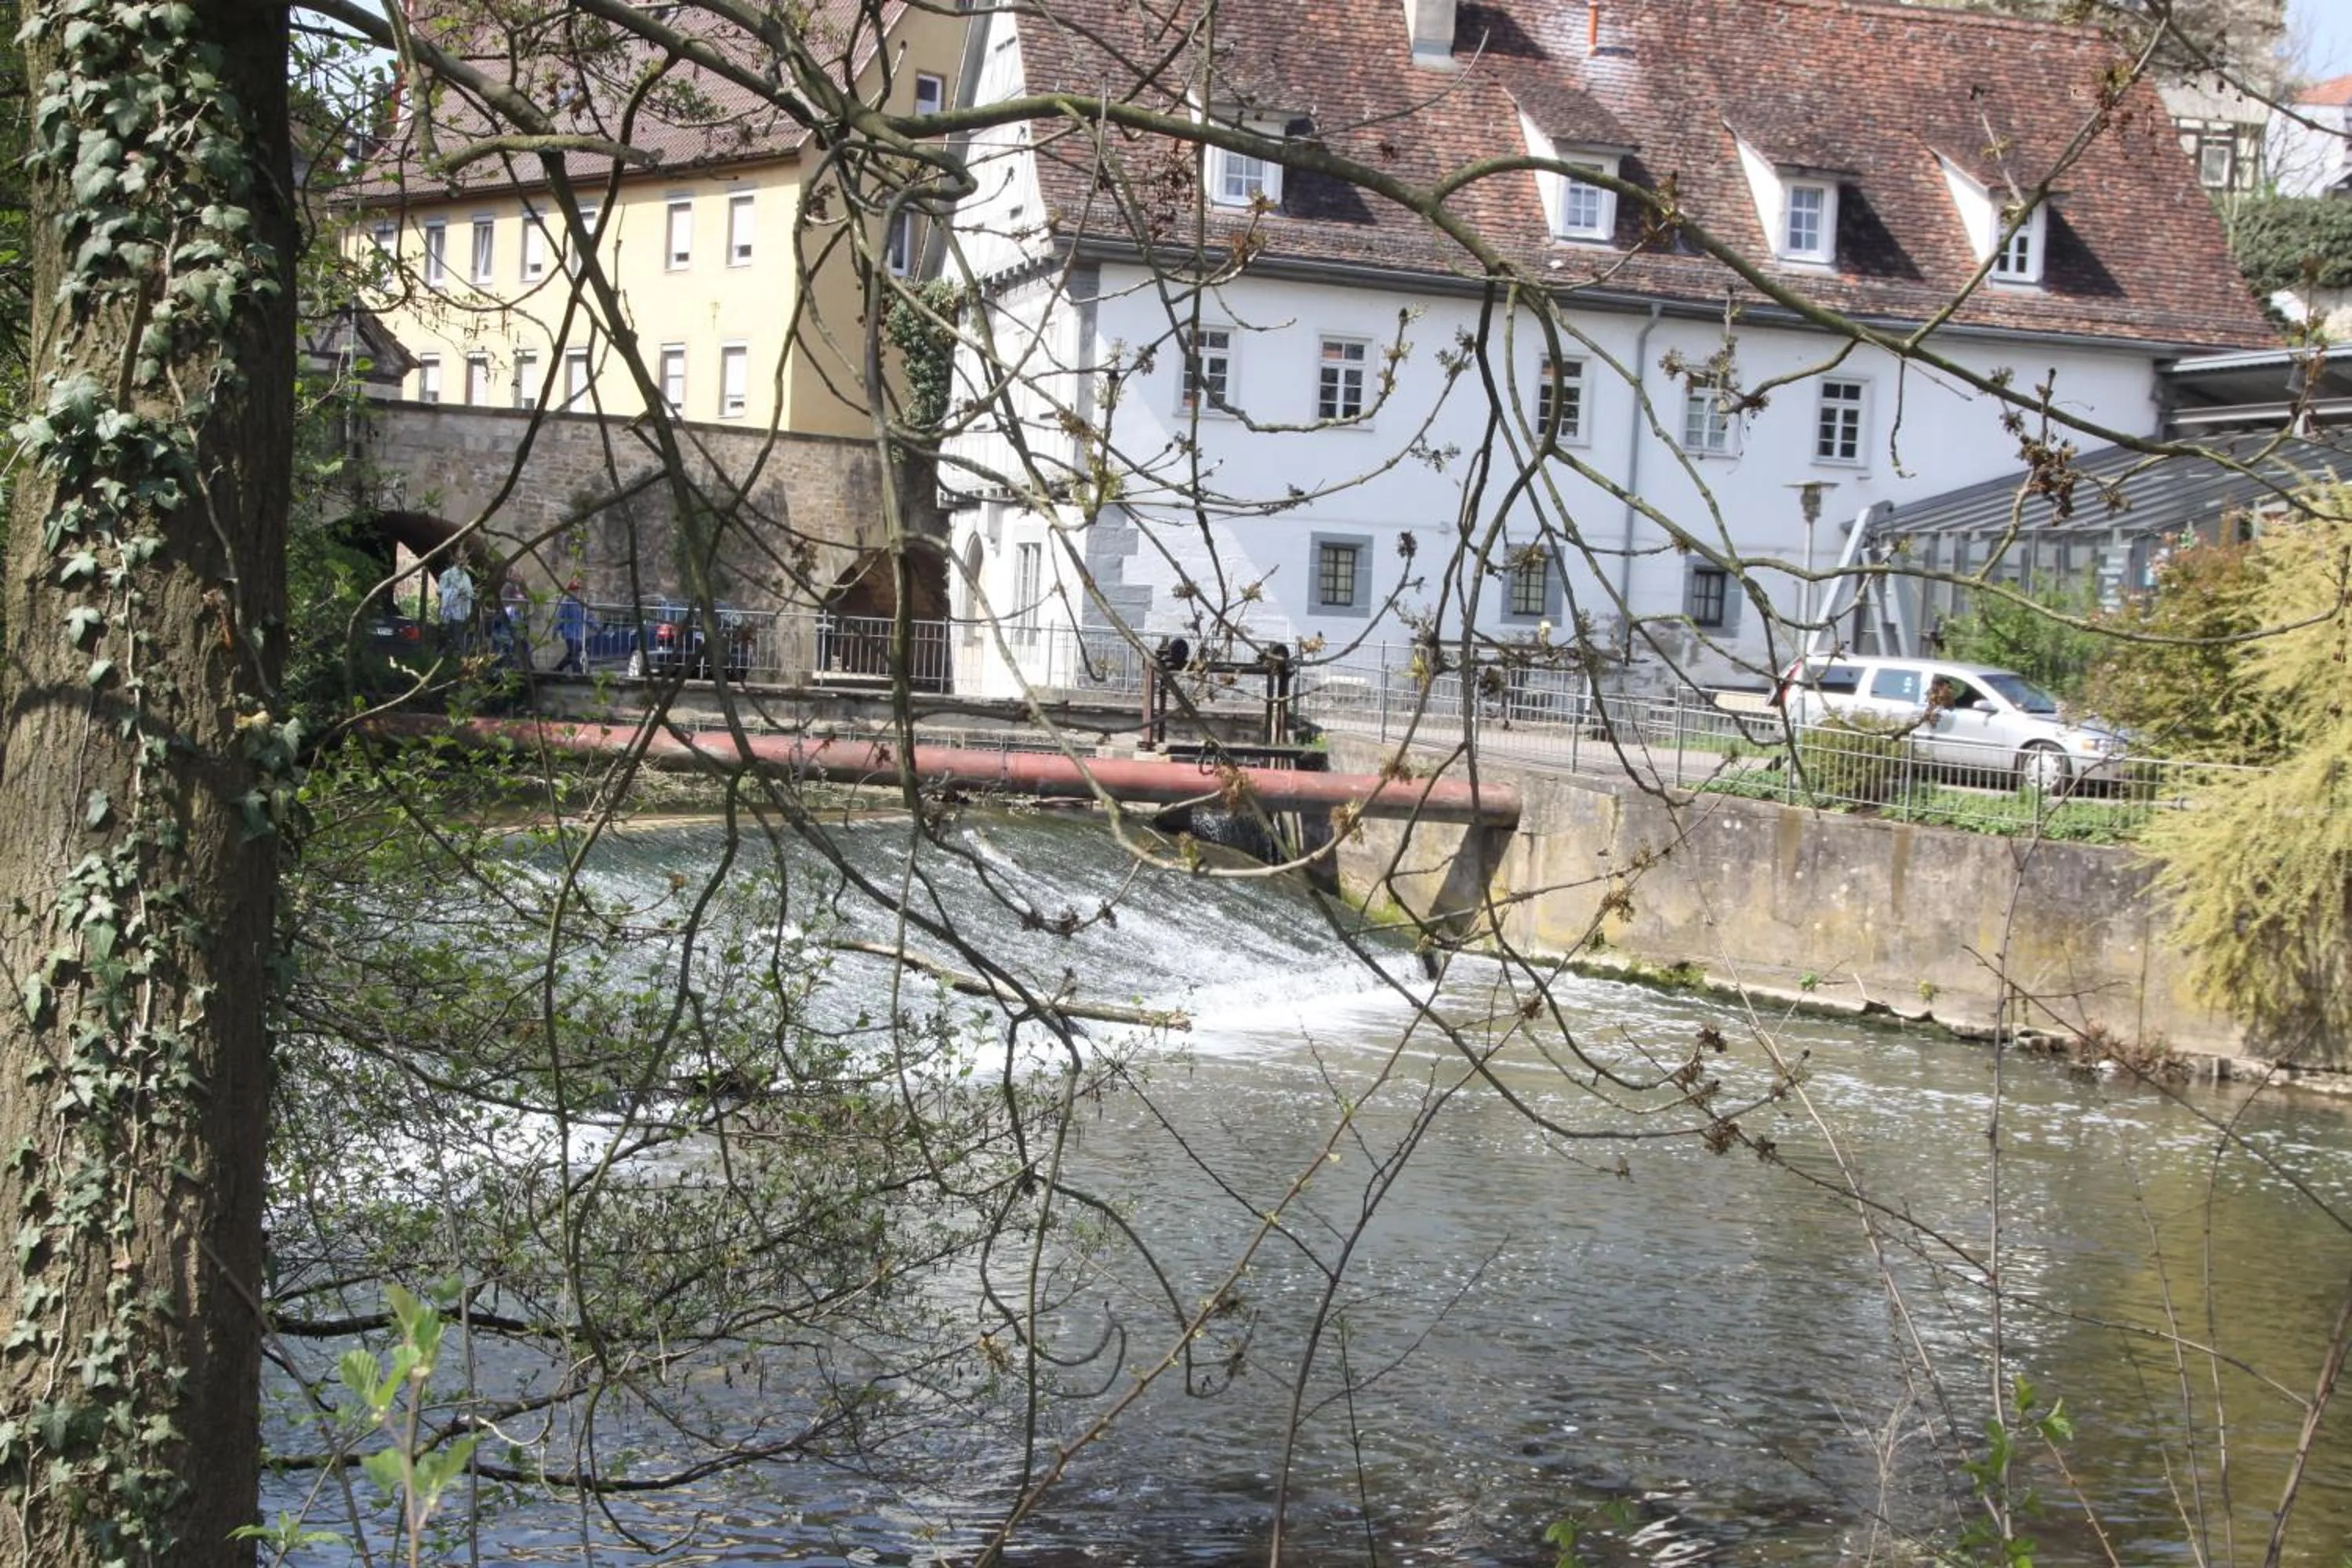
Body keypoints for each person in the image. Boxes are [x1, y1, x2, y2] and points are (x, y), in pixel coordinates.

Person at [437, 558, 475, 654]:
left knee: (460, 640)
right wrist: (455, 593)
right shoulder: (447, 575)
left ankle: (458, 659)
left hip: (462, 614)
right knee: (447, 637)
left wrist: (467, 595)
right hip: (449, 613)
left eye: (466, 560)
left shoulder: (466, 577)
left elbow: (471, 593)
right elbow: (440, 592)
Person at [554, 582, 586, 673]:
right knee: (574, 654)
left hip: (578, 634)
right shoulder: (567, 603)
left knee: (572, 653)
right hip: (570, 633)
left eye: (577, 590)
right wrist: (555, 631)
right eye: (574, 590)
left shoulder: (581, 604)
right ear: (569, 591)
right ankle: (578, 673)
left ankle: (558, 668)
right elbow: (560, 618)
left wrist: (596, 626)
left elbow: (587, 616)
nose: (576, 592)